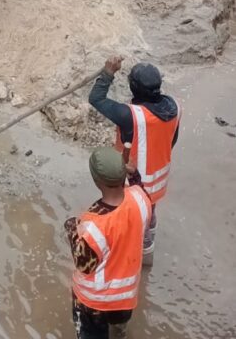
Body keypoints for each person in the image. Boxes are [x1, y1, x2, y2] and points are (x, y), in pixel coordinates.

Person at [88, 56, 179, 265]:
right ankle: (147, 252)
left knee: (130, 222)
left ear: (133, 87)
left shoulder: (131, 115)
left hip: (133, 181)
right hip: (158, 181)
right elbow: (172, 139)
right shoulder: (174, 107)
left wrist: (108, 73)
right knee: (149, 214)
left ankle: (137, 261)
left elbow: (96, 99)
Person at [65, 147, 151, 339]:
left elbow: (83, 265)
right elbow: (141, 188)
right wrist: (134, 174)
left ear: (97, 181)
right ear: (124, 174)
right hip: (126, 298)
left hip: (95, 302)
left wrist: (71, 228)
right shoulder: (141, 199)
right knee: (118, 331)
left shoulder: (94, 224)